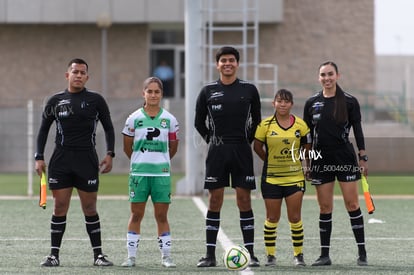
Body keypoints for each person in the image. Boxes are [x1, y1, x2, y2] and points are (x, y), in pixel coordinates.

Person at [35, 58, 115, 267]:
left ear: (87, 77)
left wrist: (110, 154)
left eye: (82, 72)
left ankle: (98, 255)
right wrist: (39, 157)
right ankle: (54, 255)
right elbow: (43, 130)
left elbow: (108, 127)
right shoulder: (55, 101)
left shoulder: (96, 100)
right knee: (60, 206)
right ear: (67, 75)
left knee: (89, 207)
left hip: (87, 159)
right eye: (75, 71)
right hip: (61, 160)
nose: (78, 75)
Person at [194, 46, 262, 267]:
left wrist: (245, 141)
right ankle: (210, 256)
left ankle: (251, 254)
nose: (227, 64)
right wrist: (214, 141)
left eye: (231, 60)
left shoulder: (249, 90)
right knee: (215, 200)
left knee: (244, 200)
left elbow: (257, 121)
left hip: (242, 150)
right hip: (217, 152)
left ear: (237, 63)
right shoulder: (207, 91)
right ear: (217, 64)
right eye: (223, 60)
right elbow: (198, 122)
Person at [303, 61, 369, 266]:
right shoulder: (311, 102)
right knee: (324, 207)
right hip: (320, 159)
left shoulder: (350, 101)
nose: (327, 78)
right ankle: (324, 255)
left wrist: (362, 157)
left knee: (352, 204)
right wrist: (306, 163)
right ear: (319, 78)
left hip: (344, 158)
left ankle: (362, 253)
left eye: (330, 74)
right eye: (323, 75)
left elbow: (357, 130)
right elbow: (307, 137)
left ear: (338, 76)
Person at [121, 76, 179, 268]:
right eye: (150, 91)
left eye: (157, 92)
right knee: (136, 215)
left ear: (161, 94)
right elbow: (127, 147)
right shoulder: (133, 119)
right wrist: (141, 161)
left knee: (161, 216)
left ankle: (166, 257)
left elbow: (173, 147)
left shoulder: (169, 120)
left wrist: (159, 161)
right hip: (139, 174)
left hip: (161, 175)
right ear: (143, 93)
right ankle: (131, 257)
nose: (153, 95)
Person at [254, 89, 312, 267]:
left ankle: (298, 255)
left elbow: (307, 148)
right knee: (272, 218)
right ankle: (271, 256)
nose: (283, 104)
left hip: (294, 178)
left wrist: (306, 167)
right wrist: (270, 161)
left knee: (295, 218)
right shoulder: (265, 125)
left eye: (286, 101)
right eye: (279, 101)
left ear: (292, 104)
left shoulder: (301, 125)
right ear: (274, 104)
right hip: (271, 178)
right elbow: (257, 147)